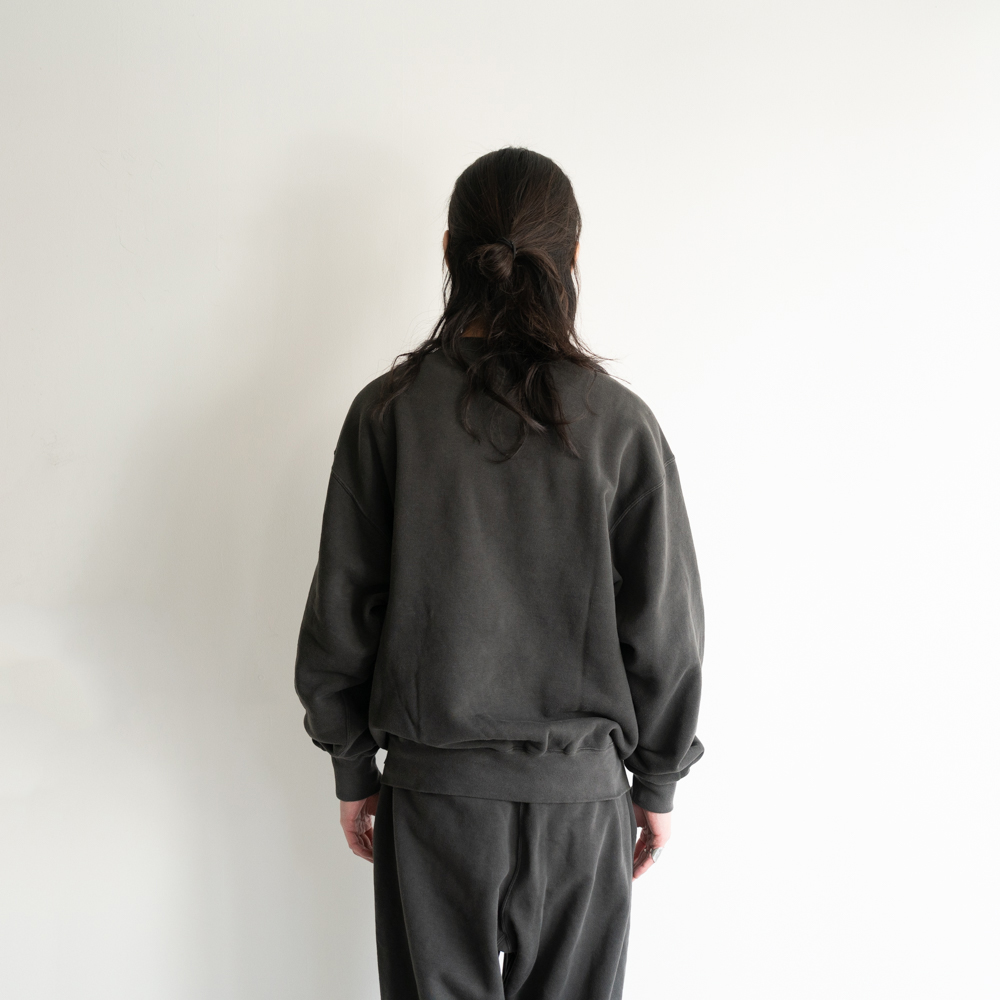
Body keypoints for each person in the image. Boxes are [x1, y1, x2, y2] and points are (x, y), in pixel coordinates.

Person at [294, 146, 704, 1000]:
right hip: (579, 808)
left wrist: (353, 768)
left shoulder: (388, 414)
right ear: (573, 257)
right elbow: (665, 631)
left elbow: (342, 612)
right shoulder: (621, 424)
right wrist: (658, 780)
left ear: (450, 250)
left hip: (433, 803)